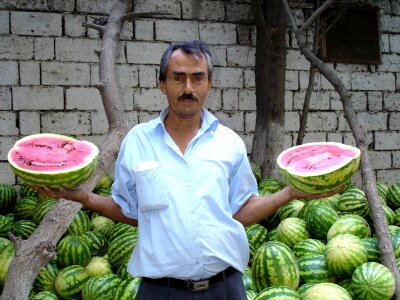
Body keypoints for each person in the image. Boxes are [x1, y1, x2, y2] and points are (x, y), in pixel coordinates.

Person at [36, 40, 343, 300]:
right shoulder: (137, 141)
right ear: (162, 83)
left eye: (197, 78)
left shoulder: (229, 142)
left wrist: (290, 192)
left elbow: (241, 210)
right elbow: (129, 210)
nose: (187, 87)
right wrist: (83, 198)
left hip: (225, 288)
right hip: (160, 291)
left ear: (208, 84)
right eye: (178, 77)